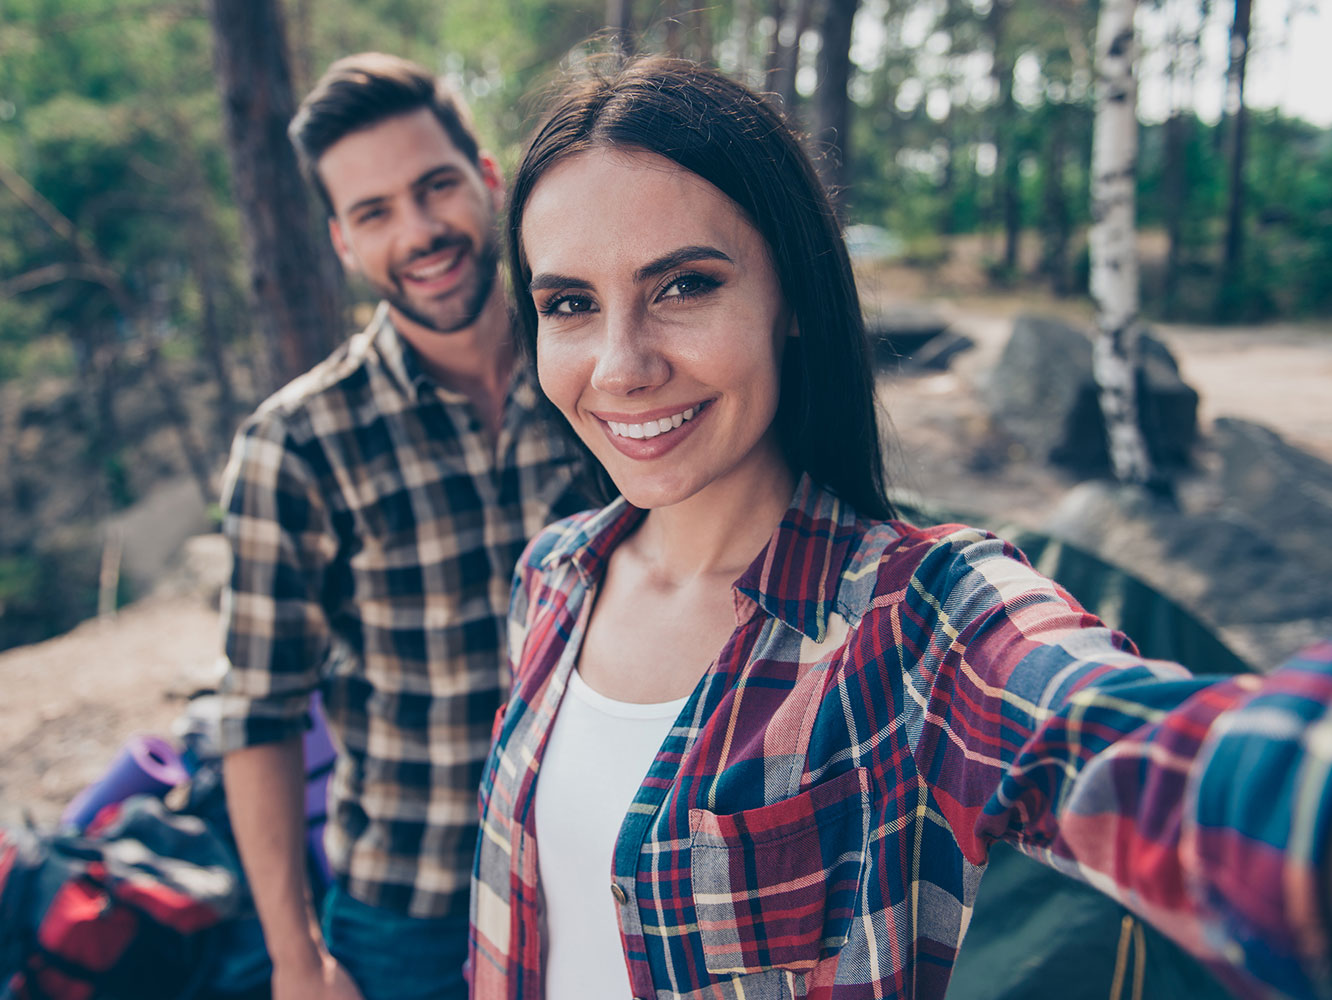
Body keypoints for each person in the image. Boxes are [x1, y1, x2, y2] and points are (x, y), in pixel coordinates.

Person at [470, 56, 1332, 1000]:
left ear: (791, 295)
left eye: (683, 286)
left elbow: (1157, 762)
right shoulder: (552, 577)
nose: (621, 366)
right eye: (569, 305)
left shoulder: (921, 618)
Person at [214, 53, 588, 1000]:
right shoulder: (292, 445)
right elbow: (258, 717)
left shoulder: (602, 377)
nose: (420, 233)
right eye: (376, 212)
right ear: (343, 241)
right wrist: (298, 962)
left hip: (613, 873)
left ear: (488, 180)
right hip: (412, 918)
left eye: (435, 189)